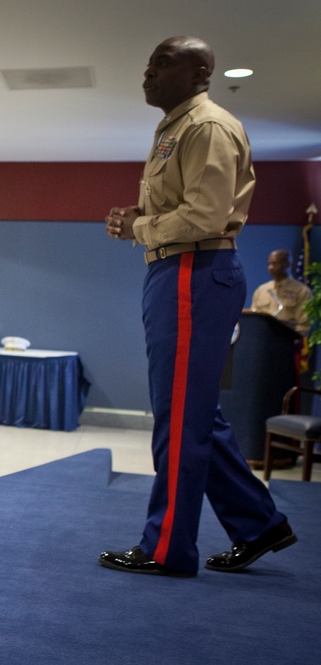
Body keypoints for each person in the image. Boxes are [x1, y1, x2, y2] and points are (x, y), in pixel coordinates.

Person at [100, 36, 295, 576]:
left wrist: (139, 227)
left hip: (193, 271)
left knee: (180, 416)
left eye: (162, 63)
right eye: (147, 63)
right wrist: (143, 215)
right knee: (193, 412)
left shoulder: (206, 126)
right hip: (176, 269)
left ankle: (168, 549)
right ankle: (258, 524)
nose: (147, 73)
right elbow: (189, 205)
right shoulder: (176, 127)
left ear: (201, 71)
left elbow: (207, 216)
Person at [249, 249, 311, 335]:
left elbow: (304, 326)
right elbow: (253, 320)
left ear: (288, 265)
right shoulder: (262, 290)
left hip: (286, 342)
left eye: (274, 263)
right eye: (269, 264)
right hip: (261, 340)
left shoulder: (302, 291)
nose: (270, 267)